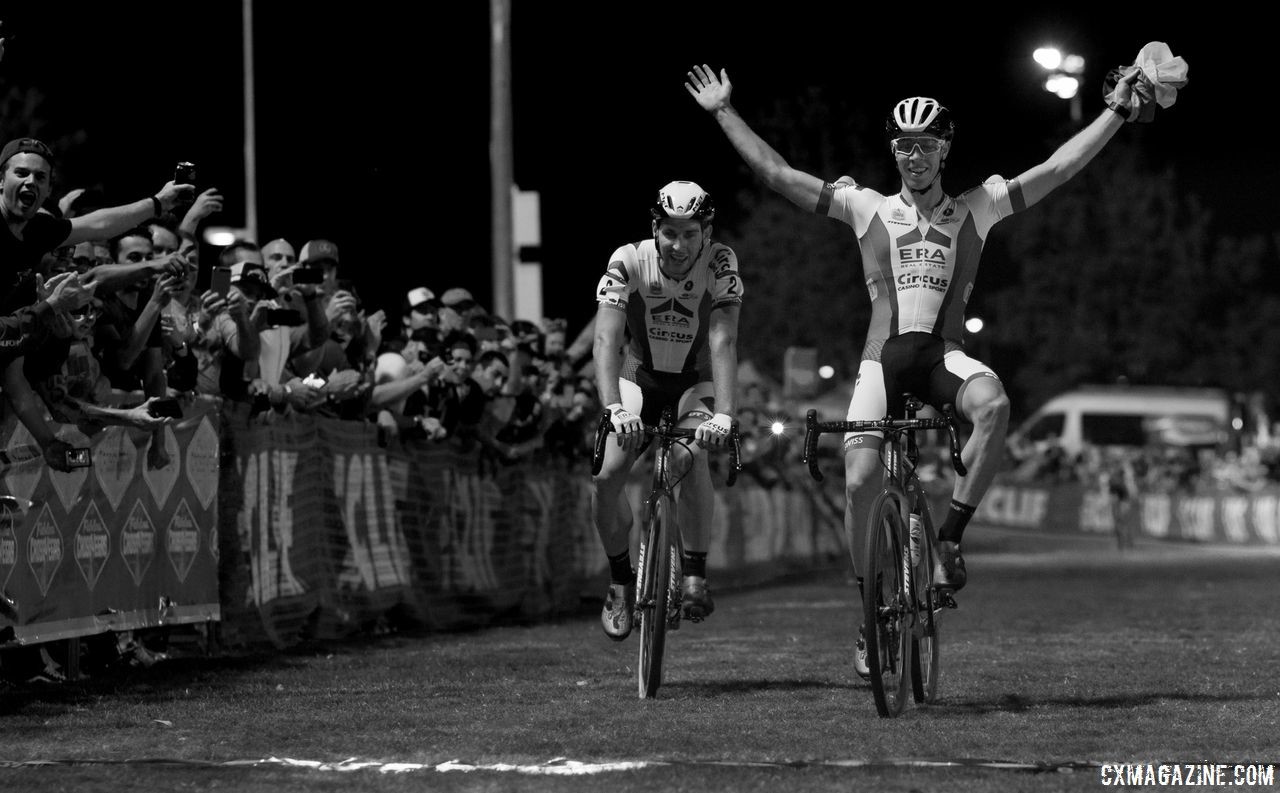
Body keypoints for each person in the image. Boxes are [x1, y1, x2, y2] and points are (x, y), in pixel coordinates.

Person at [685, 61, 1158, 675]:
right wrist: (724, 110)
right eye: (904, 145)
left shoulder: (977, 207)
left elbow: (1058, 169)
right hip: (881, 363)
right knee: (859, 483)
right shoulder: (866, 207)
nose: (913, 156)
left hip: (941, 356)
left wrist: (1116, 112)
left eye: (925, 145)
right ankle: (868, 610)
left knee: (995, 406)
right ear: (894, 150)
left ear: (944, 149)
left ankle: (952, 534)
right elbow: (777, 174)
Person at [591, 180, 742, 641]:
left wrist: (726, 415)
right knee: (606, 475)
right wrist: (613, 407)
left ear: (706, 232)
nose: (679, 245)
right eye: (670, 233)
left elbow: (723, 339)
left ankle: (695, 572)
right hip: (640, 378)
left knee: (690, 454)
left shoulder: (721, 260)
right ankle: (620, 581)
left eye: (690, 234)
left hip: (696, 380)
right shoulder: (628, 259)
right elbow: (606, 341)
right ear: (655, 229)